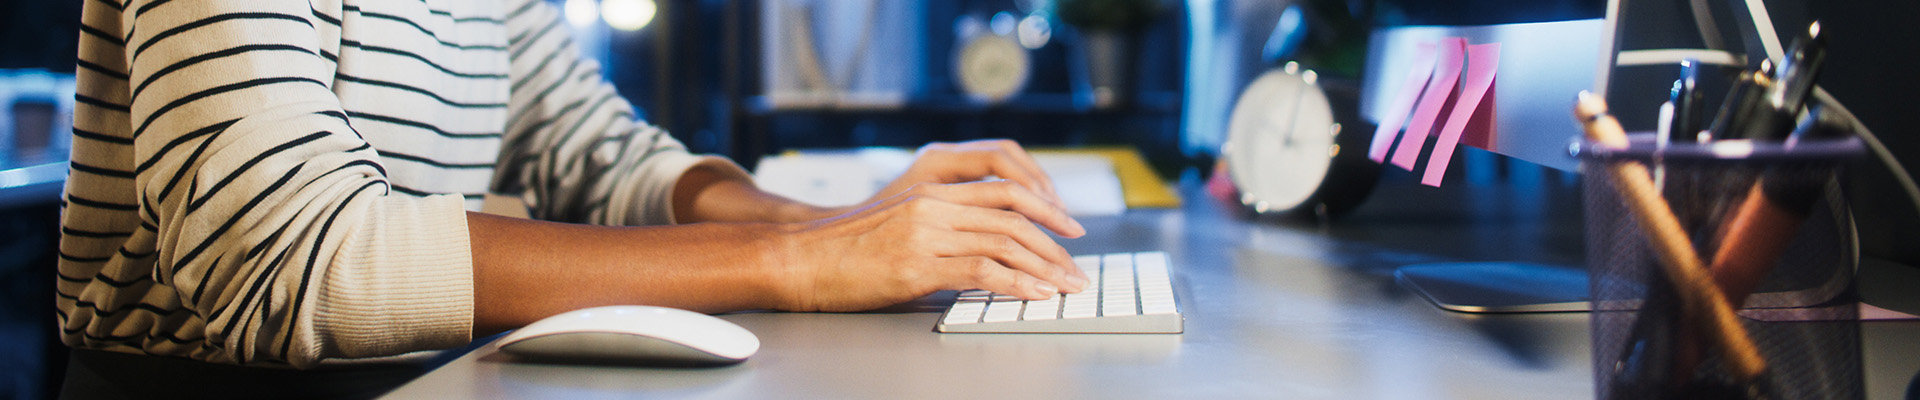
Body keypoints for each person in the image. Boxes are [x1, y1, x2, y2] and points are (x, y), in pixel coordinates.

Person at [58, 0, 1088, 369]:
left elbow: (593, 152)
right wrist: (797, 261)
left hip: (425, 374)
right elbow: (285, 258)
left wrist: (852, 224)